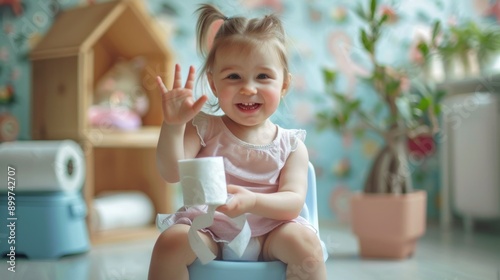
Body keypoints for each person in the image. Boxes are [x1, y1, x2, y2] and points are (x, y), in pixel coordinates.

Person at [148, 3, 327, 280]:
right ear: (214, 84)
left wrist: (253, 201)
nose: (248, 88)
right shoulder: (203, 127)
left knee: (306, 247)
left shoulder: (292, 145)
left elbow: (292, 202)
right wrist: (173, 126)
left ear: (284, 85)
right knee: (170, 243)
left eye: (263, 76)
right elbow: (171, 172)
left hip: (272, 234)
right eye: (233, 76)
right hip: (210, 231)